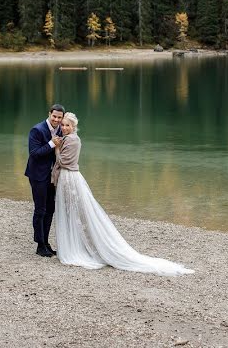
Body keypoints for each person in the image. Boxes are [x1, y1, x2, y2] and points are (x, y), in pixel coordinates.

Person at [53, 112, 193, 276]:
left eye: (67, 125)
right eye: (62, 125)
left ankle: (77, 247)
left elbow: (63, 161)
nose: (63, 127)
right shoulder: (67, 139)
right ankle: (75, 244)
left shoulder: (73, 140)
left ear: (73, 126)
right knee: (71, 211)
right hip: (67, 178)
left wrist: (56, 148)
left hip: (70, 178)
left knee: (74, 210)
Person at [24, 104, 64, 257]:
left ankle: (46, 242)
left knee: (50, 209)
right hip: (37, 175)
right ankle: (40, 245)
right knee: (40, 210)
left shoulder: (61, 130)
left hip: (52, 177)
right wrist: (52, 144)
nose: (56, 119)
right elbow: (34, 154)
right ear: (49, 114)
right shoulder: (37, 130)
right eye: (54, 116)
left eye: (59, 117)